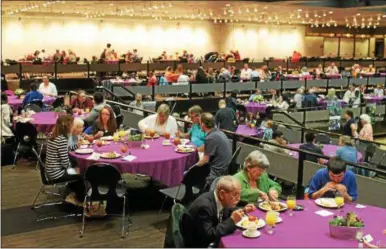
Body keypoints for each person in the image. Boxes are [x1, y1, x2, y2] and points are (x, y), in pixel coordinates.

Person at [180, 175, 256, 248]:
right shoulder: (204, 208)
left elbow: (229, 210)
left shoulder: (220, 199)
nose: (238, 199)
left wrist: (243, 210)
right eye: (235, 195)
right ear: (222, 194)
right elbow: (209, 236)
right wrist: (232, 221)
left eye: (239, 194)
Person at [45, 114, 84, 203]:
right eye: (72, 125)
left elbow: (65, 149)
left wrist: (76, 146)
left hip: (50, 170)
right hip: (57, 173)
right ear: (67, 126)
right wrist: (76, 169)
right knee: (82, 173)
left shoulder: (52, 135)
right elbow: (66, 164)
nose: (73, 127)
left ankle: (72, 192)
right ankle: (80, 199)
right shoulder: (61, 139)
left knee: (77, 168)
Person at [197, 113, 232, 187]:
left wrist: (191, 167)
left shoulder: (211, 137)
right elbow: (206, 146)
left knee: (188, 173)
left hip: (215, 175)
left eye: (200, 123)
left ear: (203, 124)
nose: (199, 125)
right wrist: (195, 150)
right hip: (225, 170)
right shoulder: (219, 132)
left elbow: (204, 162)